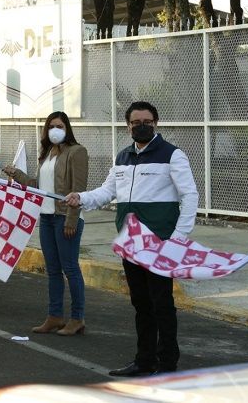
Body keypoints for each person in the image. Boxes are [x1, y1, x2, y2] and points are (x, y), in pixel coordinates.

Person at [64, 101, 198, 376]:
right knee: (141, 304)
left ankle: (167, 364)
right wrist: (81, 198)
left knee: (162, 305)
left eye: (147, 121)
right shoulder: (123, 157)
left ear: (156, 123)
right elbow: (106, 191)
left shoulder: (173, 155)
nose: (141, 126)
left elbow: (190, 196)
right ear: (128, 127)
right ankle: (144, 360)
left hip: (160, 244)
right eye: (136, 123)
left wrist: (178, 238)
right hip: (131, 244)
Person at [4, 111, 89, 335]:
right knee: (52, 270)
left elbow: (78, 190)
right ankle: (55, 316)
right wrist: (17, 174)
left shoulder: (77, 152)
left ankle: (77, 318)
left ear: (67, 128)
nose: (55, 130)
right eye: (51, 126)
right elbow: (38, 185)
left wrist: (71, 219)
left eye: (60, 126)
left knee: (70, 268)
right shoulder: (47, 154)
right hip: (47, 217)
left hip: (65, 218)